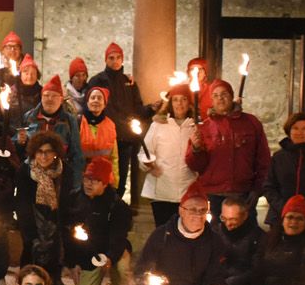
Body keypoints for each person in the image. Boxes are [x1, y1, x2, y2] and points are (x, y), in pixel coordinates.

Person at [185, 80, 271, 215]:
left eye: (224, 94)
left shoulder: (251, 123)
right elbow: (196, 165)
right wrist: (196, 149)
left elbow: (263, 159)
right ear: (211, 100)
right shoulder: (203, 127)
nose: (220, 98)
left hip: (243, 193)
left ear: (232, 96)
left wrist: (258, 188)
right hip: (213, 194)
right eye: (215, 95)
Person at [65, 156, 132, 285]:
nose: (89, 184)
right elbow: (67, 234)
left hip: (111, 251)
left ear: (105, 183)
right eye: (87, 178)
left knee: (123, 266)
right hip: (87, 256)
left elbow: (119, 237)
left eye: (95, 180)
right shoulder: (73, 199)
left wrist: (110, 257)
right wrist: (72, 263)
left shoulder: (117, 205)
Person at [86, 42, 147, 203]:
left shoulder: (129, 83)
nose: (115, 61)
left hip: (124, 139)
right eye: (111, 58)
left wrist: (154, 108)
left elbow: (137, 108)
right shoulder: (97, 80)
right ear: (106, 60)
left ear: (122, 59)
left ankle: (114, 210)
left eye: (118, 58)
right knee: (97, 178)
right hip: (103, 138)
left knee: (119, 179)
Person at [16, 131, 73, 285]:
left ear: (56, 153)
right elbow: (21, 203)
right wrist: (30, 234)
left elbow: (67, 199)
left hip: (55, 221)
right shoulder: (25, 171)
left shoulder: (65, 171)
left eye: (48, 151)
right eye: (40, 152)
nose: (44, 156)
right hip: (34, 222)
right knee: (31, 262)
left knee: (53, 261)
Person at [140, 83, 198, 225]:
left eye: (183, 99)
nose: (179, 104)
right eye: (175, 100)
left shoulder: (195, 126)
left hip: (187, 191)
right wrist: (148, 163)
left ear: (189, 103)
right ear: (170, 103)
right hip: (162, 192)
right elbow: (145, 152)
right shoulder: (158, 125)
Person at [216, 194, 263, 285]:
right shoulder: (216, 231)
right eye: (224, 218)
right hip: (217, 282)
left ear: (245, 216)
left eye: (233, 219)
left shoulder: (257, 237)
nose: (228, 224)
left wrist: (229, 283)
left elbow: (256, 270)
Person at [19, 75, 83, 179]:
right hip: (32, 176)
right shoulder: (29, 117)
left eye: (54, 96)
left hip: (60, 176)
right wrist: (20, 142)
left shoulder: (69, 121)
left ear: (61, 99)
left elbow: (77, 155)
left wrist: (74, 183)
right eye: (46, 95)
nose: (50, 99)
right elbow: (19, 148)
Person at [77, 86, 118, 171]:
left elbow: (114, 157)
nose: (96, 100)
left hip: (102, 175)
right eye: (92, 98)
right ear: (87, 103)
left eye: (99, 98)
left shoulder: (110, 125)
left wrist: (114, 181)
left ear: (104, 104)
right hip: (82, 173)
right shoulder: (77, 122)